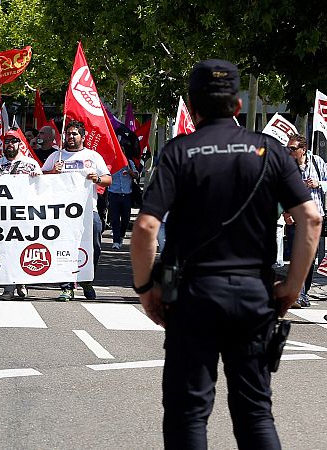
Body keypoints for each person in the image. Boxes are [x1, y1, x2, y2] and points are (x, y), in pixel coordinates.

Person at [130, 59, 320, 449]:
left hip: (194, 296)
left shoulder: (179, 151)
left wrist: (146, 287)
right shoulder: (270, 151)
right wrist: (292, 286)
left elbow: (147, 226)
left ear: (192, 106)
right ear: (237, 106)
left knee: (188, 414)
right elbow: (311, 219)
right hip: (254, 294)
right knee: (254, 414)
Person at [43, 120, 111, 300]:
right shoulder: (56, 156)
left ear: (83, 136)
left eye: (74, 134)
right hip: (61, 212)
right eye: (68, 133)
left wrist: (97, 179)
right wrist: (52, 173)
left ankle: (87, 279)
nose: (70, 137)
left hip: (89, 210)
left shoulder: (93, 156)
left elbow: (108, 179)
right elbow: (41, 181)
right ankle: (66, 286)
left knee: (95, 244)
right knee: (63, 247)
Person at [0, 130, 42, 300]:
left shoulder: (31, 164)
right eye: (7, 141)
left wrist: (37, 178)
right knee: (6, 251)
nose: (10, 144)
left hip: (24, 215)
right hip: (2, 215)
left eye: (14, 141)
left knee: (21, 249)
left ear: (20, 144)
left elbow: (44, 189)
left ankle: (20, 281)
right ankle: (8, 287)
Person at [283, 133, 327, 307]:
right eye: (288, 148)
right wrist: (286, 213)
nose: (289, 151)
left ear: (303, 150)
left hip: (314, 219)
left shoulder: (317, 163)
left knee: (310, 257)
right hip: (295, 218)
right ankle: (297, 294)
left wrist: (319, 184)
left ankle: (303, 293)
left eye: (293, 148)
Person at [107, 155, 139, 250]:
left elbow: (137, 175)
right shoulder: (111, 163)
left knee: (126, 219)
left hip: (126, 195)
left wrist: (131, 173)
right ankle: (116, 241)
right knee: (115, 219)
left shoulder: (129, 163)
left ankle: (121, 235)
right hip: (114, 194)